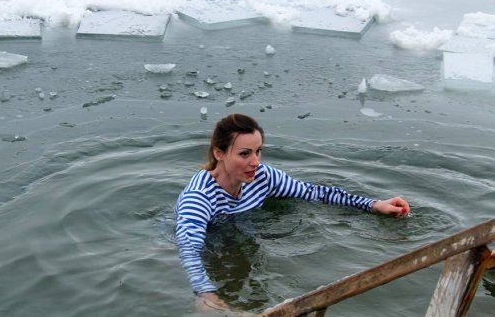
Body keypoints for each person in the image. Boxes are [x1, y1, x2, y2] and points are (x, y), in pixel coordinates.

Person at [175, 113, 410, 311]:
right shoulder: (199, 198)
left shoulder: (262, 177)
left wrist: (373, 204)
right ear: (219, 153)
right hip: (207, 242)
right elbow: (189, 250)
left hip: (241, 230)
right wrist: (206, 295)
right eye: (245, 154)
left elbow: (315, 193)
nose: (255, 161)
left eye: (258, 151)